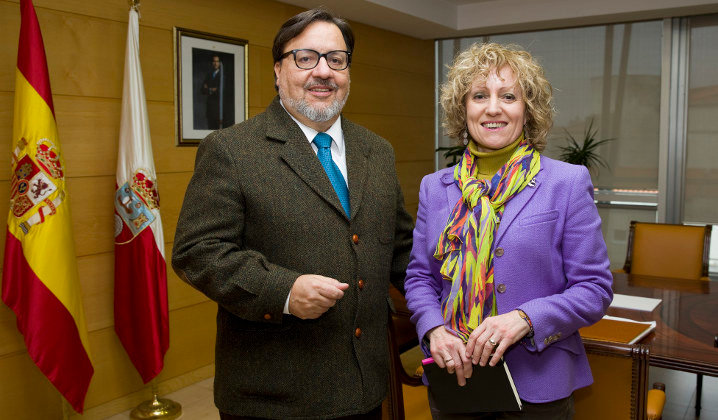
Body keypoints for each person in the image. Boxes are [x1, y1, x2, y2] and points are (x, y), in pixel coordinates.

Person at [172, 8, 414, 420]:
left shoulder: (378, 151)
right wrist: (282, 291)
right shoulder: (232, 150)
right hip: (275, 397)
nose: (323, 71)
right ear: (278, 70)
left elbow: (402, 250)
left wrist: (464, 295)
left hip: (366, 386)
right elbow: (198, 252)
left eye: (336, 59)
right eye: (305, 58)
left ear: (348, 72)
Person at [404, 43, 613, 419]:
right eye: (479, 95)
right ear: (462, 108)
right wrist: (434, 329)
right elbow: (420, 277)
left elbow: (594, 290)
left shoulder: (566, 183)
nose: (493, 108)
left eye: (509, 96)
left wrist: (525, 318)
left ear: (527, 109)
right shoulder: (434, 187)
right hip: (457, 378)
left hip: (538, 385)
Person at [201, 54, 223, 129]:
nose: (215, 63)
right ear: (212, 63)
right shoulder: (209, 74)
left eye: (217, 61)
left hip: (218, 107)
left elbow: (219, 91)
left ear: (219, 63)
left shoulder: (222, 75)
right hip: (210, 107)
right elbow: (202, 90)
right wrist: (211, 89)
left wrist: (208, 89)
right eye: (214, 61)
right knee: (210, 129)